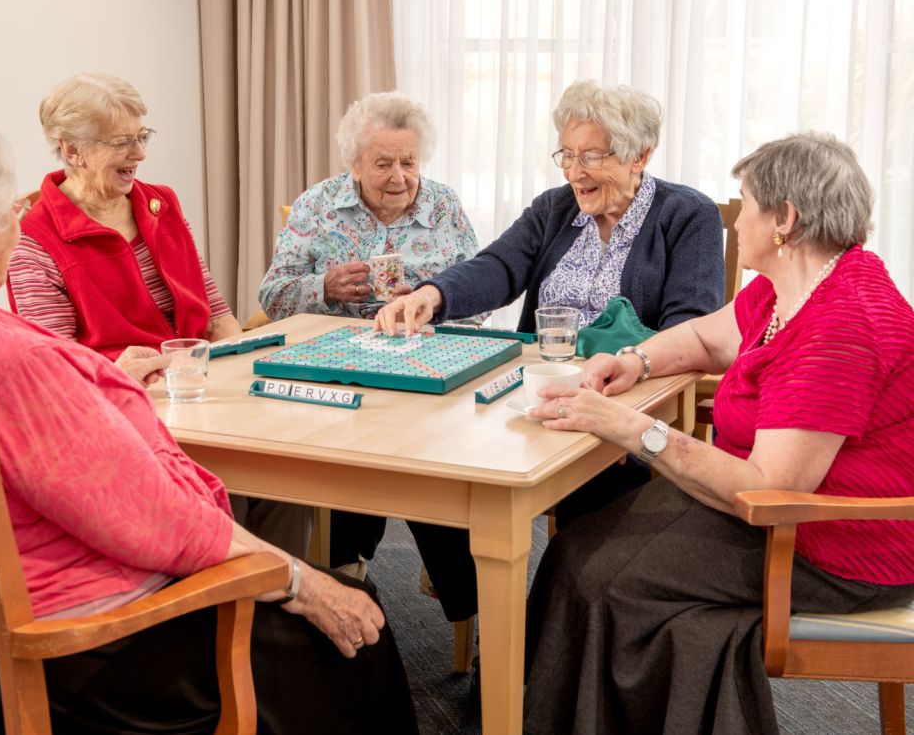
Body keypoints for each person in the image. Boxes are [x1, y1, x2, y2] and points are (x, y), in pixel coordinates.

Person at [0, 107, 419, 735]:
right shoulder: (12, 358)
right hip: (93, 654)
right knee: (358, 619)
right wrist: (306, 585)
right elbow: (163, 523)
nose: (16, 226)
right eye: (4, 213)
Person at [522, 132, 914, 734]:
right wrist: (635, 360)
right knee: (578, 550)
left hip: (831, 544)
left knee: (600, 579)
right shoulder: (800, 288)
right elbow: (708, 337)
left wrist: (635, 429)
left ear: (785, 219)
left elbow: (768, 490)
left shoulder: (840, 325)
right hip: (788, 515)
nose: (740, 220)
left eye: (748, 202)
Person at [375, 80, 727, 624]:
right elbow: (498, 267)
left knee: (595, 498)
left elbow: (691, 326)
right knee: (433, 458)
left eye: (593, 156)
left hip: (623, 398)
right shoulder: (555, 209)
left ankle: (554, 636)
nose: (574, 171)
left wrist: (627, 366)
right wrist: (433, 294)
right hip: (532, 389)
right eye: (567, 154)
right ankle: (491, 618)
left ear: (641, 155)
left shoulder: (687, 216)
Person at [6, 73, 309, 557]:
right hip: (130, 411)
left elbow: (214, 310)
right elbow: (57, 373)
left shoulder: (159, 202)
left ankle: (282, 594)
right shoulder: (35, 239)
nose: (140, 154)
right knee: (223, 488)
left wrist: (235, 371)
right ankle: (238, 600)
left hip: (204, 389)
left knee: (293, 469)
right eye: (122, 143)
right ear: (73, 150)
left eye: (142, 137)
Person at [259, 91, 480, 578]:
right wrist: (325, 288)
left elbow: (478, 302)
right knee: (351, 441)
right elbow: (272, 296)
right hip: (340, 372)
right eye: (383, 163)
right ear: (355, 166)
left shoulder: (444, 206)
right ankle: (347, 572)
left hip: (426, 368)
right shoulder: (317, 206)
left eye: (409, 161)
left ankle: (461, 588)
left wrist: (431, 302)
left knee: (440, 456)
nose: (400, 177)